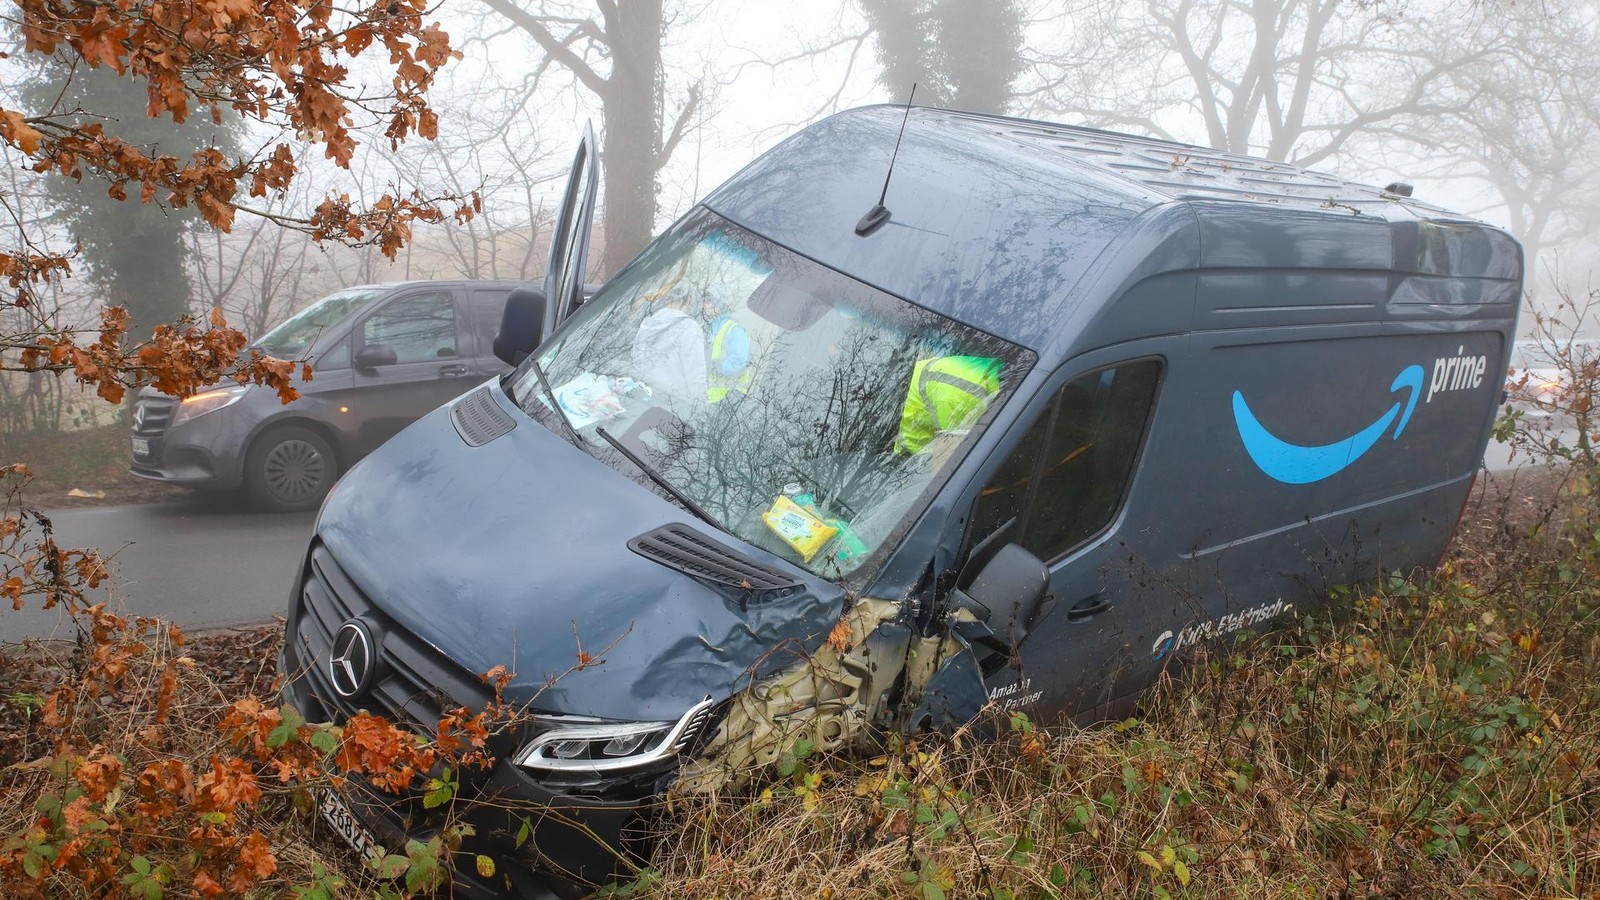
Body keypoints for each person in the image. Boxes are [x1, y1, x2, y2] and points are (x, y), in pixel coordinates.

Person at [893, 355, 1002, 455]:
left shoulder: (906, 414)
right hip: (995, 375)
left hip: (964, 396)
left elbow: (947, 463)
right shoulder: (919, 369)